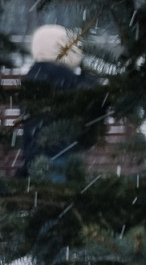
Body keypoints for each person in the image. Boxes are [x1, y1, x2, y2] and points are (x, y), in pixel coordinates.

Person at [16, 24, 95, 179]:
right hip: (59, 152)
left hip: (35, 154)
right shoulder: (62, 77)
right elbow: (91, 99)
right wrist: (88, 74)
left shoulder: (35, 74)